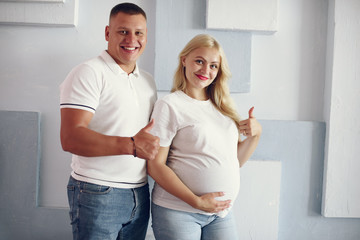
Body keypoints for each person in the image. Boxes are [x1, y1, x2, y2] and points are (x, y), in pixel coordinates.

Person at [59, 3, 159, 240]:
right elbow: (70, 137)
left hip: (140, 192)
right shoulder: (88, 72)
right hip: (97, 190)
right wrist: (132, 145)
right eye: (123, 31)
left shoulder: (147, 81)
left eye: (139, 33)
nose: (131, 39)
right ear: (107, 33)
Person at [147, 34, 262, 240]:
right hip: (178, 211)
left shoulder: (223, 107)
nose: (205, 71)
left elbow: (234, 161)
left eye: (213, 66)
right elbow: (155, 165)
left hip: (221, 214)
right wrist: (196, 201)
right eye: (199, 61)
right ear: (184, 60)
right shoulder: (170, 105)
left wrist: (256, 135)